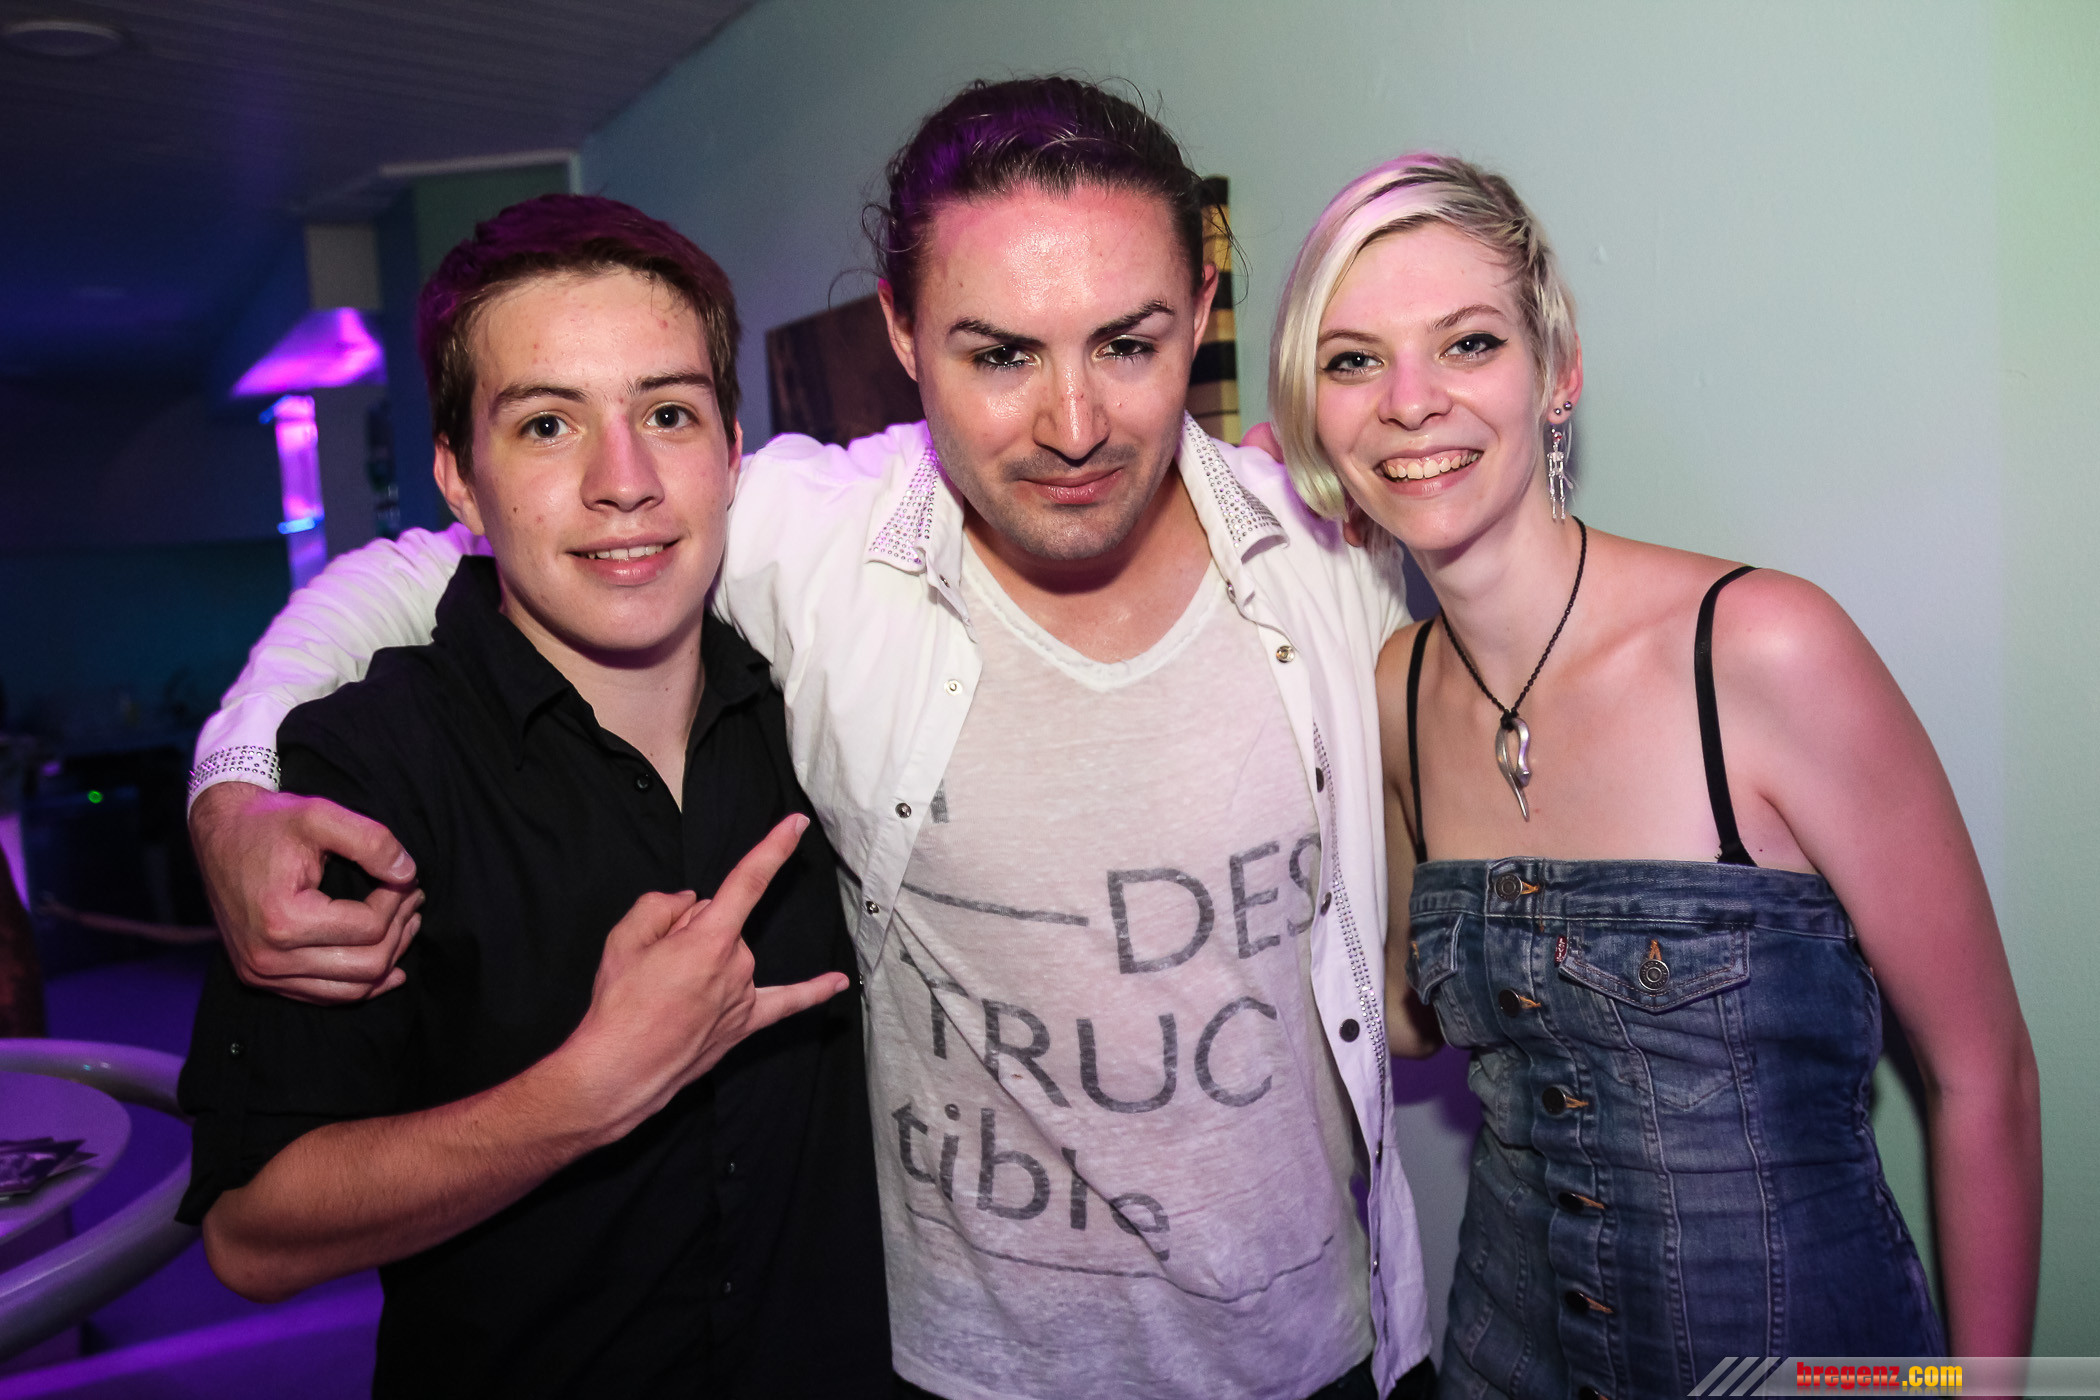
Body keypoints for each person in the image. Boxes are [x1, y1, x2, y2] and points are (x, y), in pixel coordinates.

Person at [184, 79, 1435, 1400]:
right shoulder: (823, 545)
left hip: (1320, 1354)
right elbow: (427, 572)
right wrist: (235, 782)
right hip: (961, 1377)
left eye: (1127, 344)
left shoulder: (1323, 551)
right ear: (903, 333)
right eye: (999, 355)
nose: (1073, 426)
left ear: (1200, 309)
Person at [1260, 153, 2041, 1398]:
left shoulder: (1763, 650)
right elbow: (1405, 1014)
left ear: (1557, 371)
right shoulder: (1397, 688)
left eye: (1468, 343)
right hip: (1501, 1356)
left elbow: (1983, 1072)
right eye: (1354, 361)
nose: (1409, 402)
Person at [176, 196, 891, 1398]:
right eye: (548, 424)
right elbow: (253, 1234)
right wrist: (583, 1093)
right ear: (460, 478)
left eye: (668, 413)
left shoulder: (829, 702)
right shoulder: (367, 773)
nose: (625, 482)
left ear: (732, 453)